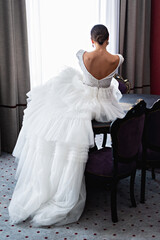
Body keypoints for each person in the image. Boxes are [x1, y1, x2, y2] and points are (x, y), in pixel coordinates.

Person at [8, 24, 125, 226]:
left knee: (55, 113)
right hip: (106, 103)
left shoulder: (83, 56)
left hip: (86, 99)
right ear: (108, 39)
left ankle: (59, 178)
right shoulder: (117, 59)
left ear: (91, 39)